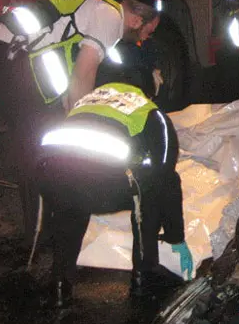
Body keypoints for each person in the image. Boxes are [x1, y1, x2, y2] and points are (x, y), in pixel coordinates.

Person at [0, 0, 161, 239]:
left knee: (45, 130)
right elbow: (84, 73)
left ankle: (50, 215)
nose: (144, 38)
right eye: (146, 30)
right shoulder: (111, 18)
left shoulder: (96, 11)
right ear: (134, 18)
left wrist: (71, 109)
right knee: (35, 137)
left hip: (6, 46)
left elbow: (71, 72)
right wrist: (84, 125)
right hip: (9, 49)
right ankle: (40, 230)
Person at [37, 70, 190, 307]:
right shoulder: (150, 111)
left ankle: (59, 284)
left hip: (50, 177)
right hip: (100, 184)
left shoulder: (90, 99)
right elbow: (165, 176)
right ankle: (144, 275)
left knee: (71, 202)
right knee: (150, 189)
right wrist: (175, 236)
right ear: (148, 91)